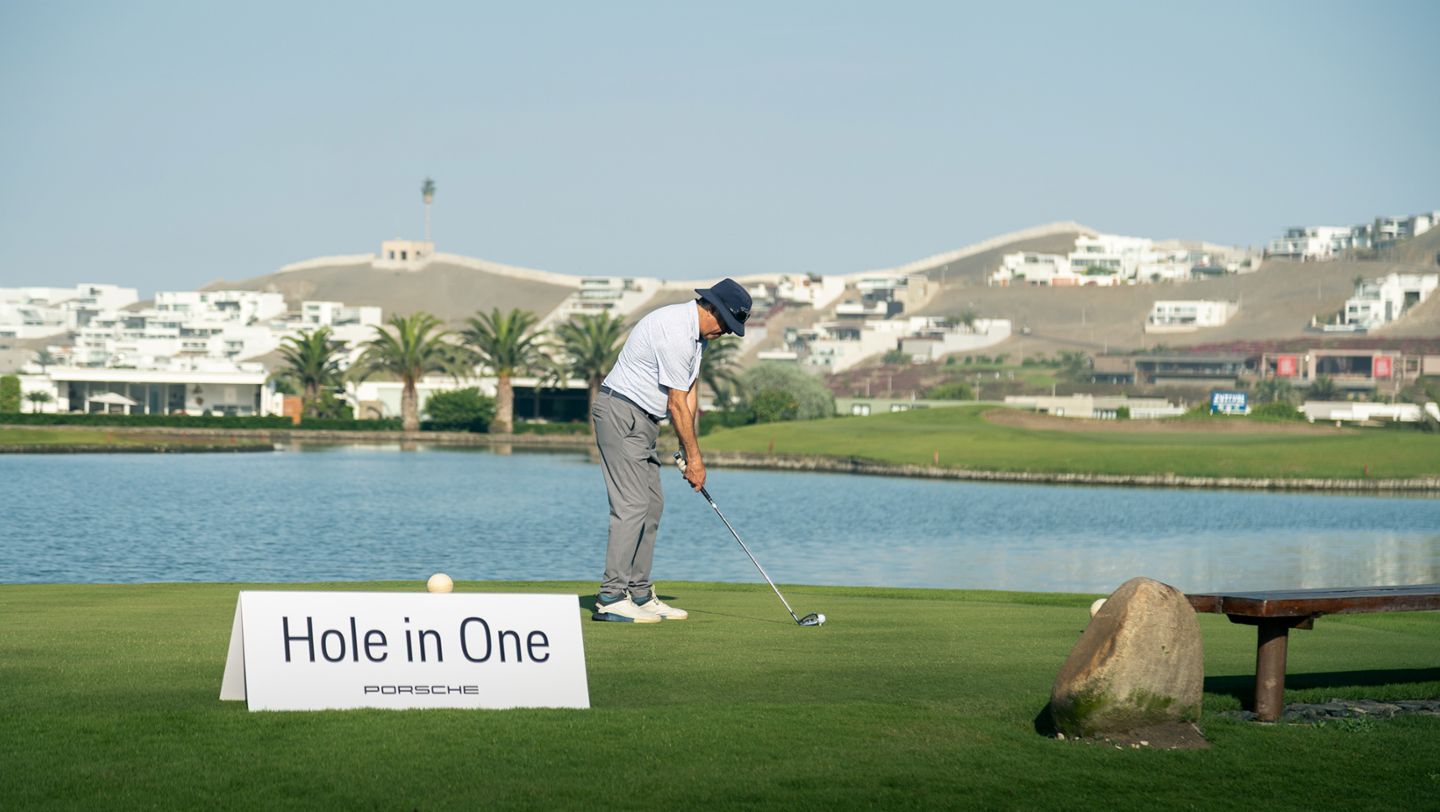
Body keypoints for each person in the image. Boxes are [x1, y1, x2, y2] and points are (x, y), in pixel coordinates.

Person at [589, 278, 752, 623]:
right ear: (710, 307)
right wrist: (695, 460)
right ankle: (611, 596)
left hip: (645, 421)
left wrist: (686, 445)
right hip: (622, 413)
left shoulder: (698, 338)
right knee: (631, 505)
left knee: (652, 505)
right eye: (724, 322)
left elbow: (689, 392)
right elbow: (677, 403)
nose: (724, 331)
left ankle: (640, 593)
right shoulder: (676, 331)